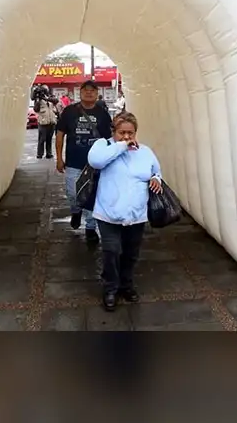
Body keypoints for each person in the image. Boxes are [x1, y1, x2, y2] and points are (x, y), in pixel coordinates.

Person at [87, 112, 162, 311]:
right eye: (122, 133)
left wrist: (156, 178)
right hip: (108, 212)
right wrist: (121, 146)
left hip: (136, 214)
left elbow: (155, 169)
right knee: (111, 251)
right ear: (114, 132)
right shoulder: (104, 146)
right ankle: (111, 288)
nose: (127, 137)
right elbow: (95, 161)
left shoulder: (145, 151)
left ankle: (126, 285)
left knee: (131, 253)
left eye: (131, 133)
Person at [55, 80, 113, 244]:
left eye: (92, 90)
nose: (89, 93)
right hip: (74, 162)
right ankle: (75, 209)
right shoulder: (69, 112)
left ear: (97, 94)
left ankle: (90, 227)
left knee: (92, 195)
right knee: (72, 193)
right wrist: (59, 158)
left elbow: (109, 138)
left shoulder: (102, 113)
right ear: (79, 93)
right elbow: (60, 134)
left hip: (95, 164)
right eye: (85, 90)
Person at [34, 93, 59, 159]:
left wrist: (46, 98)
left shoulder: (51, 99)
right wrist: (38, 100)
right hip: (43, 123)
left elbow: (56, 101)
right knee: (42, 139)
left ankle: (49, 154)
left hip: (51, 122)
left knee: (49, 139)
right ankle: (39, 154)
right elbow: (36, 109)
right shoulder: (39, 101)